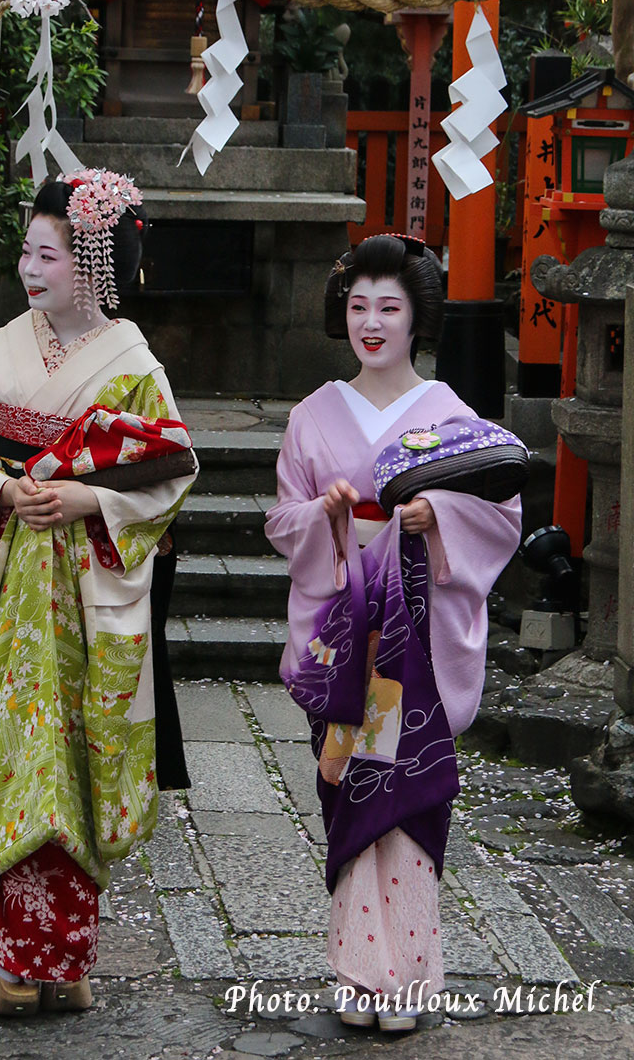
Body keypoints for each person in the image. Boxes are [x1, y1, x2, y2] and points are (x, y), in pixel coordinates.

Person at [0, 169, 197, 1016]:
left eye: (45, 252)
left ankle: (71, 958)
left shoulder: (131, 363)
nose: (27, 267)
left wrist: (89, 498)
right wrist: (4, 493)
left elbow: (169, 472)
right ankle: (13, 963)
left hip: (84, 594)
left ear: (91, 260)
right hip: (12, 589)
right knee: (17, 761)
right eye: (23, 250)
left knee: (80, 757)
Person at [264, 234, 521, 1034]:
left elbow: (501, 515)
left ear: (417, 320)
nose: (371, 323)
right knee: (352, 794)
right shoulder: (312, 415)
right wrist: (325, 513)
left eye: (389, 308)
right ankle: (357, 969)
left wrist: (435, 513)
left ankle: (402, 977)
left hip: (414, 637)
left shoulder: (452, 415)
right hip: (348, 634)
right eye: (358, 307)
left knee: (400, 801)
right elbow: (283, 520)